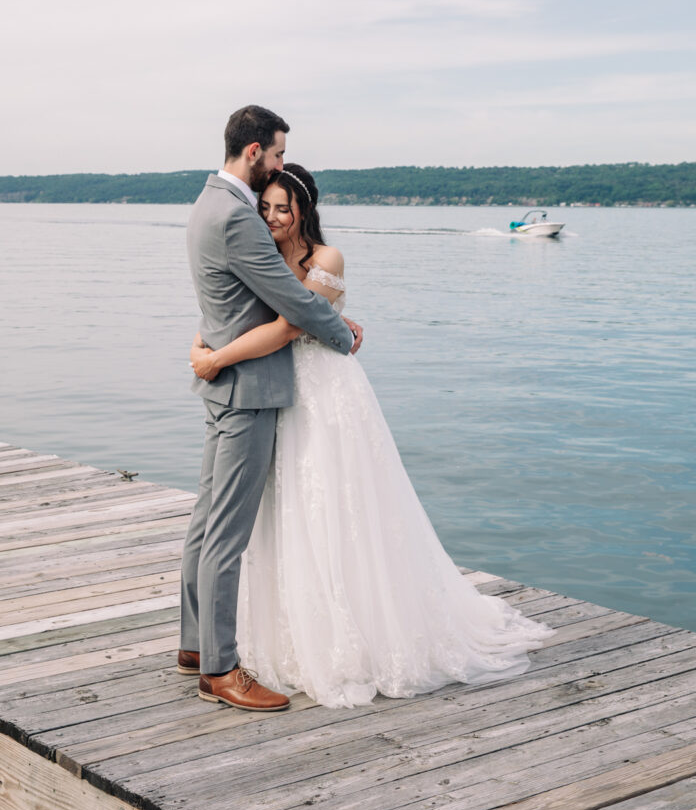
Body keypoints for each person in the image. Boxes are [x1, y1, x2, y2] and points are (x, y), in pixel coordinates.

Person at [190, 163, 555, 709]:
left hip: (325, 394)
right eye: (264, 208)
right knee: (289, 510)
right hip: (279, 393)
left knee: (339, 504)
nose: (271, 219)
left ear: (304, 212)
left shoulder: (326, 258)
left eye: (282, 209)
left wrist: (216, 357)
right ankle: (257, 636)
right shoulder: (261, 254)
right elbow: (233, 310)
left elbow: (293, 323)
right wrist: (203, 344)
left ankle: (354, 628)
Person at [180, 107, 363, 713]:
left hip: (224, 382)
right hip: (248, 390)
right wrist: (342, 334)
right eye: (279, 153)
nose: (282, 165)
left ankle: (195, 644)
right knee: (226, 535)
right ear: (255, 150)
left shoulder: (207, 202)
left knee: (206, 523)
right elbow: (289, 301)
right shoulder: (237, 215)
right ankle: (221, 669)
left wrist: (208, 352)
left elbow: (229, 300)